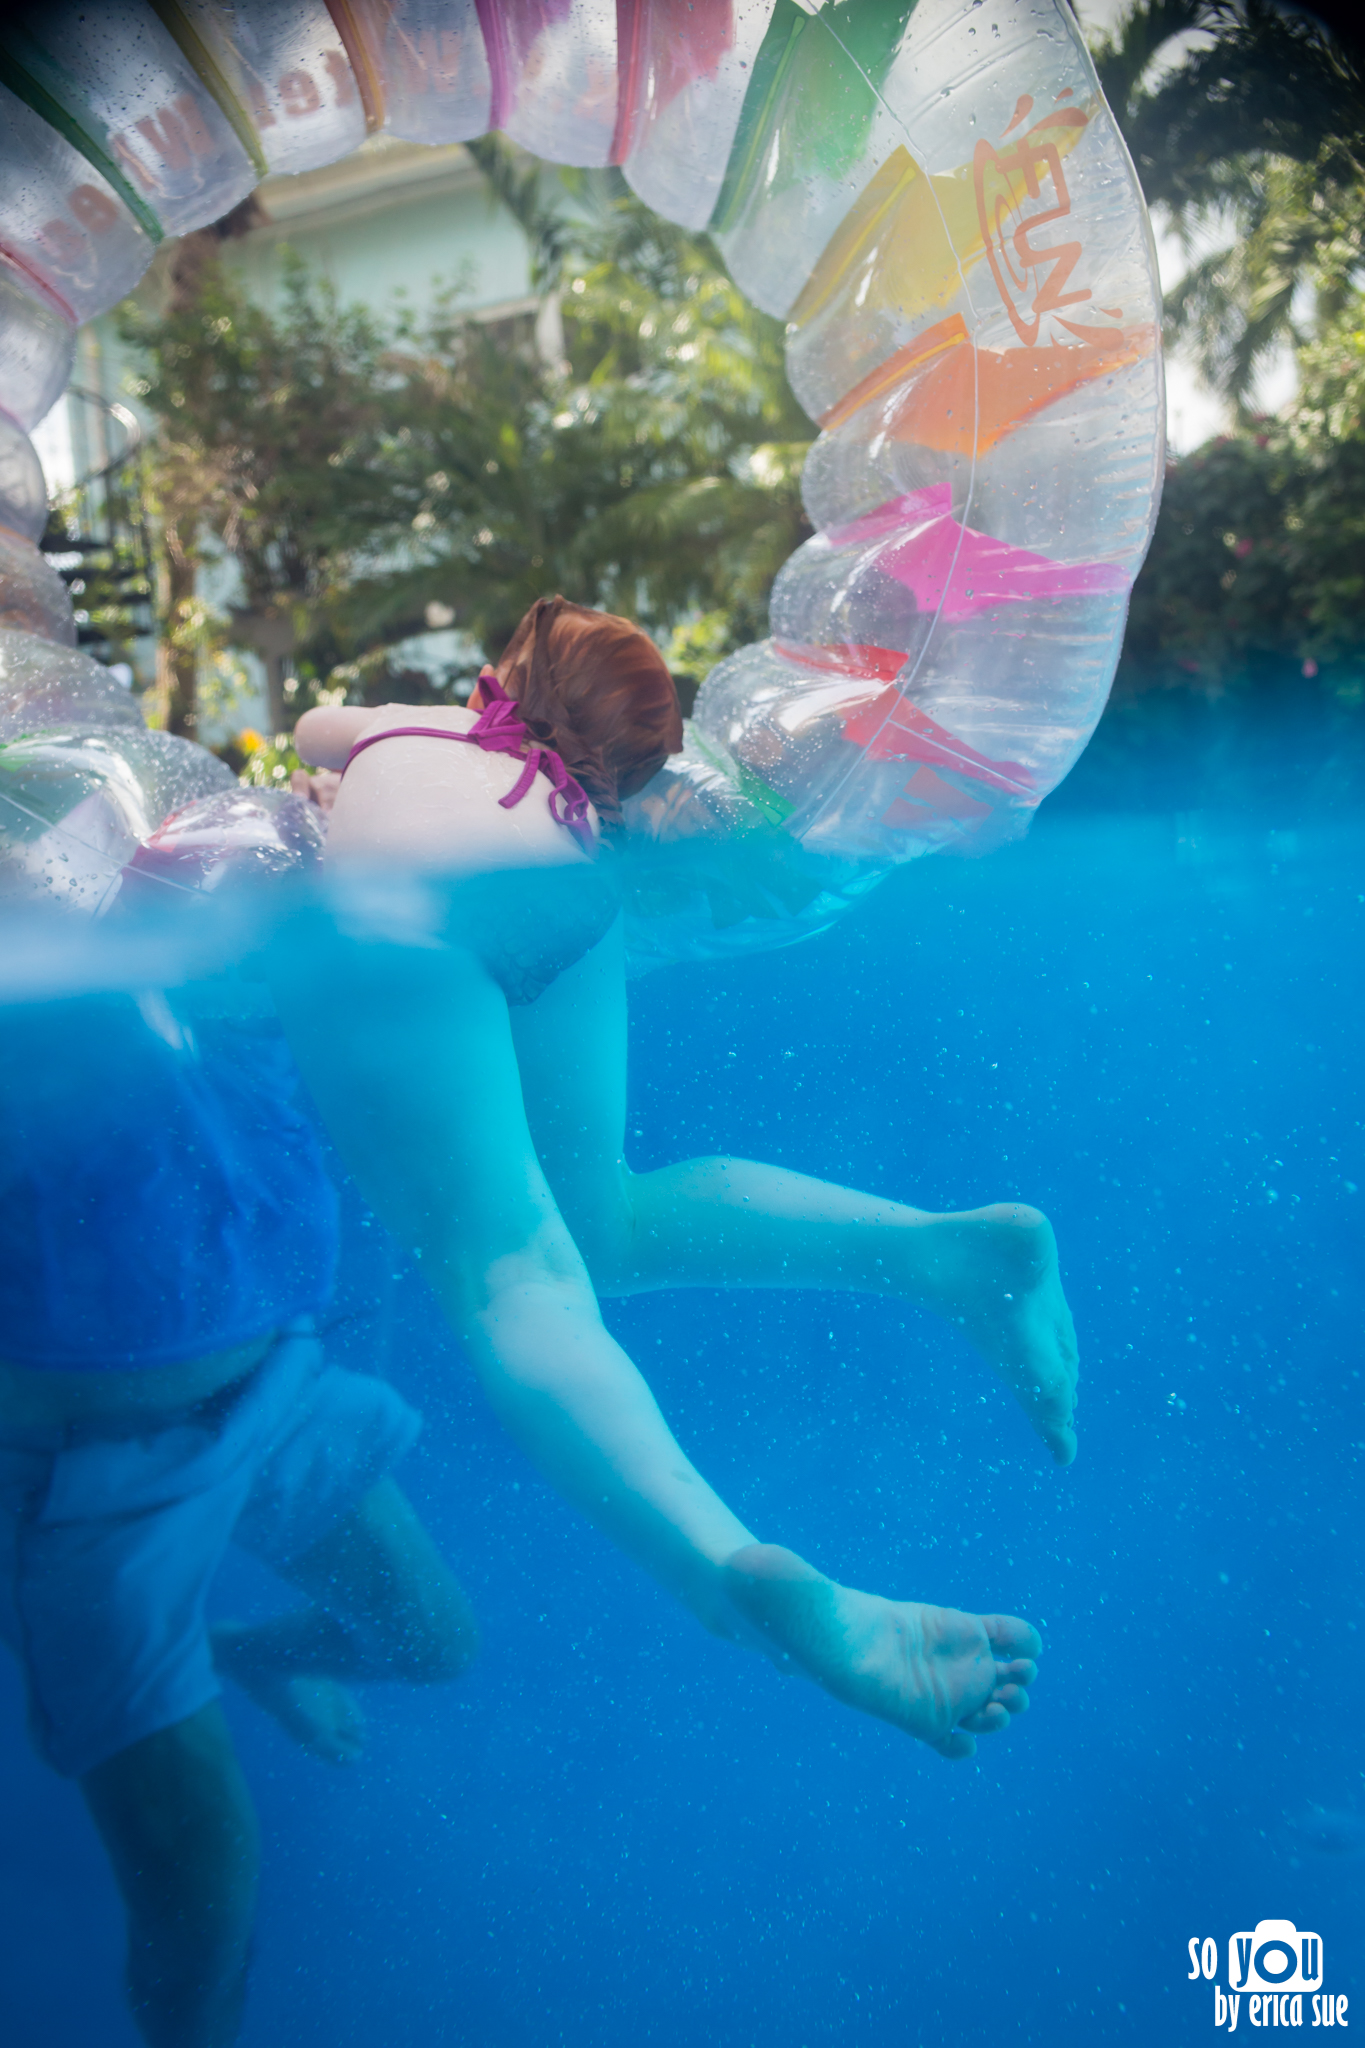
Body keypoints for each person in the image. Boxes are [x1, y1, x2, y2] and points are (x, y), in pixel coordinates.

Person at [281, 594, 1075, 1764]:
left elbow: (308, 726)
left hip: (409, 923)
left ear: (504, 676)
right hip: (565, 901)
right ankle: (939, 1251)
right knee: (597, 1221)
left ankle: (721, 1565)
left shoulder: (429, 729)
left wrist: (349, 777)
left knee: (510, 1274)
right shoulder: (580, 822)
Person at [0, 987, 476, 2048]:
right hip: (86, 1482)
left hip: (273, 1382)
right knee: (202, 1895)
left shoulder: (222, 876)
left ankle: (239, 1655)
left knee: (435, 1642)